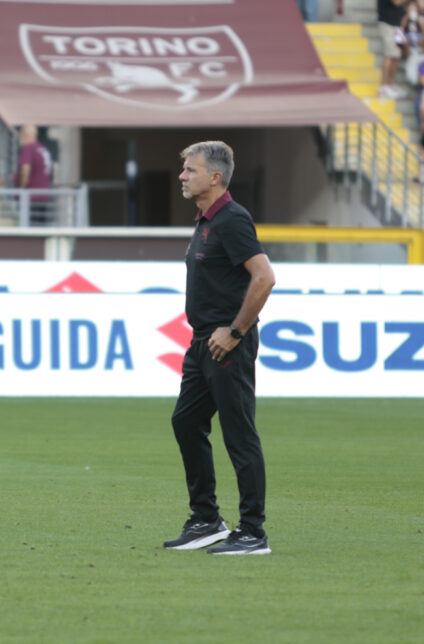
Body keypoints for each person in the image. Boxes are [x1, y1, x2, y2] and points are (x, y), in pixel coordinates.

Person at [165, 140, 275, 556]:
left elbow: (264, 277)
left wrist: (235, 331)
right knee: (185, 423)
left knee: (238, 433)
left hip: (226, 343)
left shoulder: (232, 220)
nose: (182, 175)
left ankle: (252, 531)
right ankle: (206, 519)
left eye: (190, 170)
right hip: (201, 342)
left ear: (214, 177)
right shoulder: (206, 221)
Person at [377, 0, 413, 99]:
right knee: (389, 54)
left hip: (396, 26)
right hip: (388, 25)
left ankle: (391, 84)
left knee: (396, 55)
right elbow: (397, 1)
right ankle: (383, 86)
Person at [16, 124, 52, 225]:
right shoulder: (43, 149)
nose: (20, 137)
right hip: (44, 197)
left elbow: (25, 169)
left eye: (21, 134)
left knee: (29, 231)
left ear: (25, 134)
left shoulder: (28, 148)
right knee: (40, 232)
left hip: (31, 198)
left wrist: (22, 189)